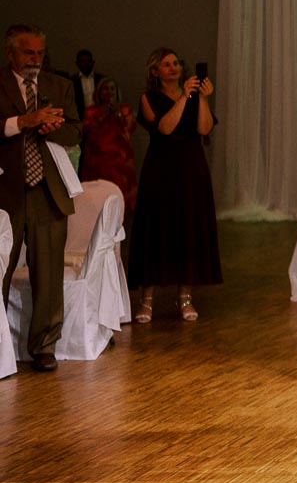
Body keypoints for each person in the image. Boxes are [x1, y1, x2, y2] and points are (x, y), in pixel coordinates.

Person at [1, 24, 81, 371]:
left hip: (48, 191)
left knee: (48, 275)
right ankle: (1, 346)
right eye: (28, 52)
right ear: (11, 53)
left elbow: (76, 130)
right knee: (1, 270)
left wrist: (54, 129)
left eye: (40, 53)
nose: (35, 59)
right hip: (6, 191)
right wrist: (23, 121)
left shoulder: (58, 85)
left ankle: (44, 347)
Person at [127, 47, 222, 323]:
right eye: (166, 64)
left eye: (176, 64)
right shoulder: (149, 98)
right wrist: (183, 97)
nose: (173, 67)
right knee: (155, 230)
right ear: (155, 71)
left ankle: (185, 297)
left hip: (192, 170)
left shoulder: (193, 97)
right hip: (161, 170)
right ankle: (147, 300)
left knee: (188, 230)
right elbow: (165, 128)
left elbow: (204, 129)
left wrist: (201, 98)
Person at [77, 77, 138, 212]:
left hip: (120, 164)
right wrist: (104, 113)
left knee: (120, 203)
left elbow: (129, 129)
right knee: (98, 203)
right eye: (105, 89)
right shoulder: (91, 111)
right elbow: (88, 132)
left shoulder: (124, 110)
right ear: (99, 92)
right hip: (98, 163)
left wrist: (117, 113)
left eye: (112, 89)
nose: (109, 92)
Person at [65, 48, 104, 120]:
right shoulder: (71, 82)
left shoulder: (101, 80)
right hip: (81, 119)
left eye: (89, 61)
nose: (86, 64)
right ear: (77, 63)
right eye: (83, 61)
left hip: (100, 119)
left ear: (93, 62)